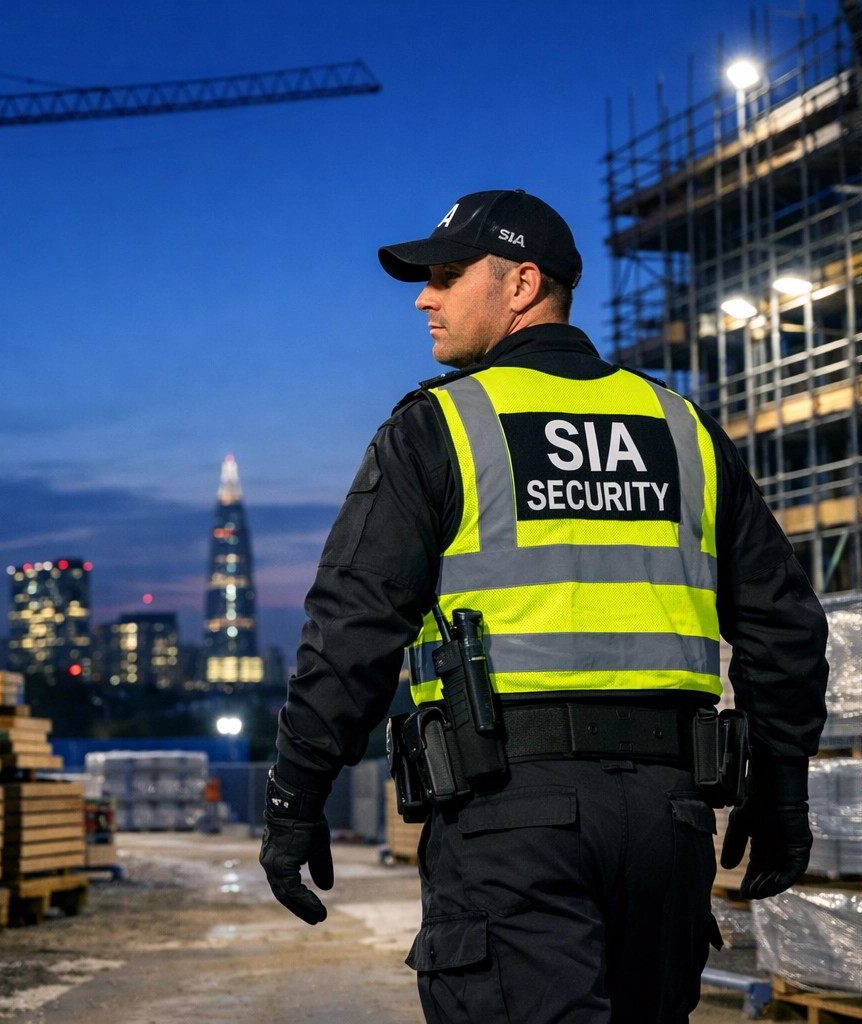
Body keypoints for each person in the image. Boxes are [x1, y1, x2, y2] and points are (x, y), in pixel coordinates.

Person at [259, 189, 828, 1022]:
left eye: (448, 276)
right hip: (667, 827)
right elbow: (785, 625)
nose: (425, 297)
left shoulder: (440, 428)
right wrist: (781, 789)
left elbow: (351, 628)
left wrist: (295, 792)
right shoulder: (681, 429)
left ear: (522, 283)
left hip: (507, 825)